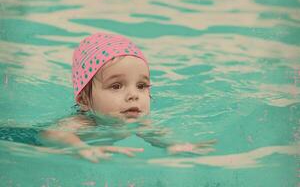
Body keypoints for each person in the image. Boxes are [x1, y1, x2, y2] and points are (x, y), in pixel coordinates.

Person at [40, 32, 216, 163]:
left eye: (141, 86)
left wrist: (174, 145)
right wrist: (80, 148)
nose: (133, 95)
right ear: (84, 100)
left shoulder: (139, 121)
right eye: (116, 86)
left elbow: (157, 135)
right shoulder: (83, 123)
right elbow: (50, 134)